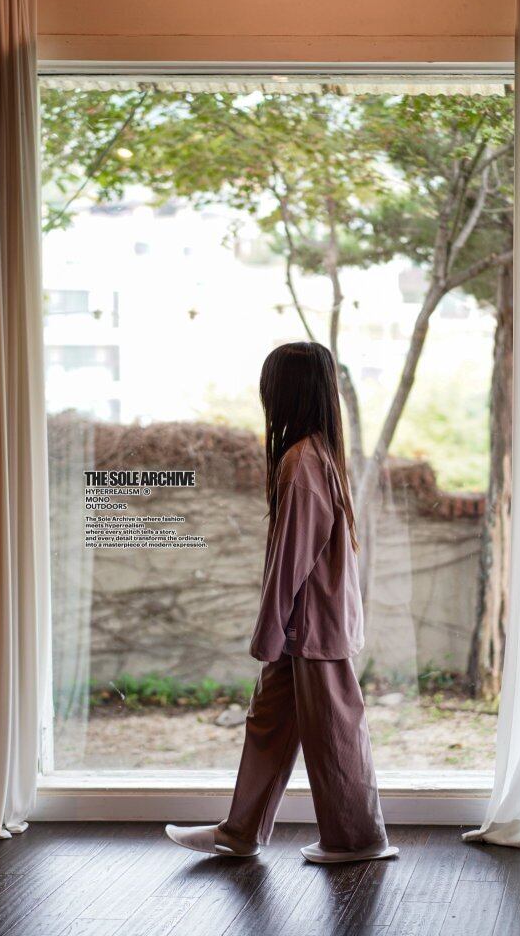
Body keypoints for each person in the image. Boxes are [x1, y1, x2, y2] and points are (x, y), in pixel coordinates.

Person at [165, 341, 398, 864]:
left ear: (286, 392)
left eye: (269, 386)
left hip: (308, 629)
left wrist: (267, 635)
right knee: (268, 723)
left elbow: (288, 563)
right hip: (309, 626)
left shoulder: (301, 462)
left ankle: (359, 840)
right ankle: (239, 831)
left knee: (336, 734)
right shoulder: (319, 456)